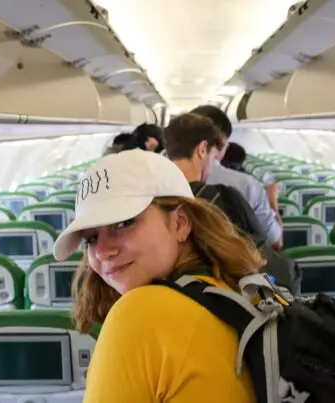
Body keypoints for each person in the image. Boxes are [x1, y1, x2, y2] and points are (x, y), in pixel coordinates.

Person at [53, 149, 262, 402]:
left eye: (124, 223)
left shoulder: (140, 313)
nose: (103, 252)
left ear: (180, 223)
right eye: (91, 239)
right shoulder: (237, 290)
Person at [164, 113, 299, 291]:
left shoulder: (151, 195)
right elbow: (268, 247)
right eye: (213, 156)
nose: (213, 164)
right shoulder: (228, 197)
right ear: (203, 149)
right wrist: (272, 200)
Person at [190, 105, 283, 251]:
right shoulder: (247, 186)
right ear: (222, 141)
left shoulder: (159, 175)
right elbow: (275, 242)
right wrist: (272, 200)